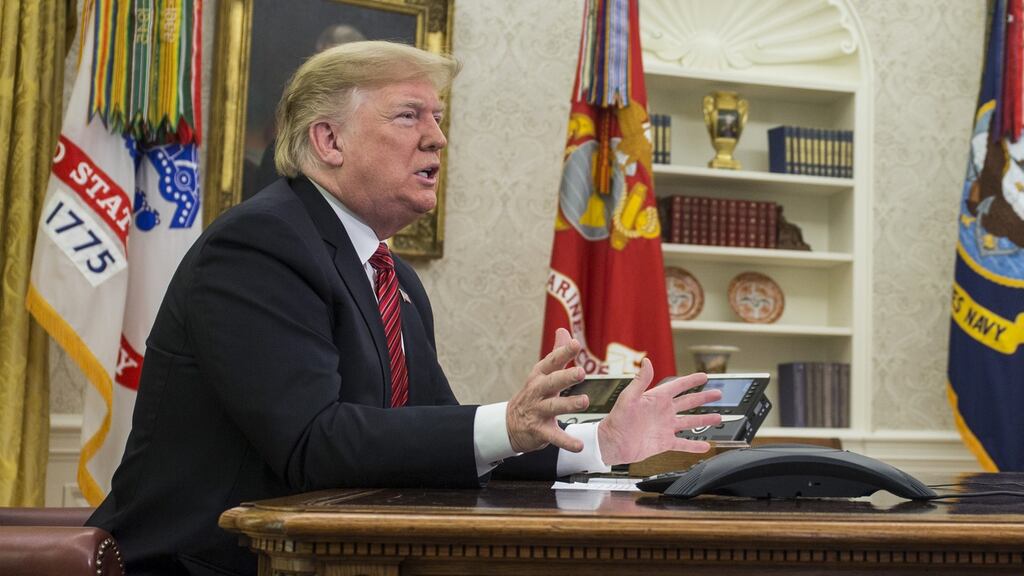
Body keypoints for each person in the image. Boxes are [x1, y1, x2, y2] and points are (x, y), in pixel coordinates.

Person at [87, 41, 723, 576]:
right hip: (199, 565)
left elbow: (438, 439)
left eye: (438, 118)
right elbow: (314, 443)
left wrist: (595, 442)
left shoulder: (395, 279)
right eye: (410, 116)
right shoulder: (258, 247)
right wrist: (507, 420)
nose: (439, 139)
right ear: (329, 139)